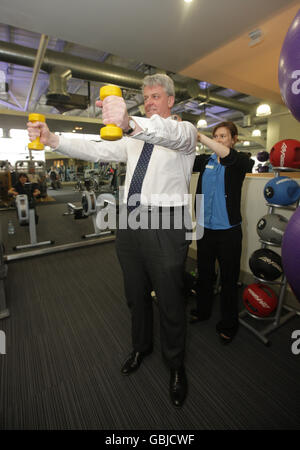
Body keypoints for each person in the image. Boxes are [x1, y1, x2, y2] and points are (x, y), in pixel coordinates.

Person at [27, 74, 197, 408]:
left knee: (170, 299)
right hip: (131, 218)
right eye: (145, 97)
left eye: (156, 96)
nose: (150, 101)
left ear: (171, 100)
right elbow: (96, 147)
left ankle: (175, 365)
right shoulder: (134, 138)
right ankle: (141, 347)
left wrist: (131, 123)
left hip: (165, 220)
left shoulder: (183, 131)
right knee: (135, 293)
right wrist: (53, 139)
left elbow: (169, 134)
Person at [190, 122, 254, 344]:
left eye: (223, 136)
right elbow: (183, 158)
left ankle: (229, 323)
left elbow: (232, 158)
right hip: (205, 229)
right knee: (204, 274)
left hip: (228, 232)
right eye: (215, 136)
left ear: (233, 139)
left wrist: (201, 137)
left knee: (228, 280)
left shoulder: (240, 161)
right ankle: (203, 310)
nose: (218, 140)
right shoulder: (204, 161)